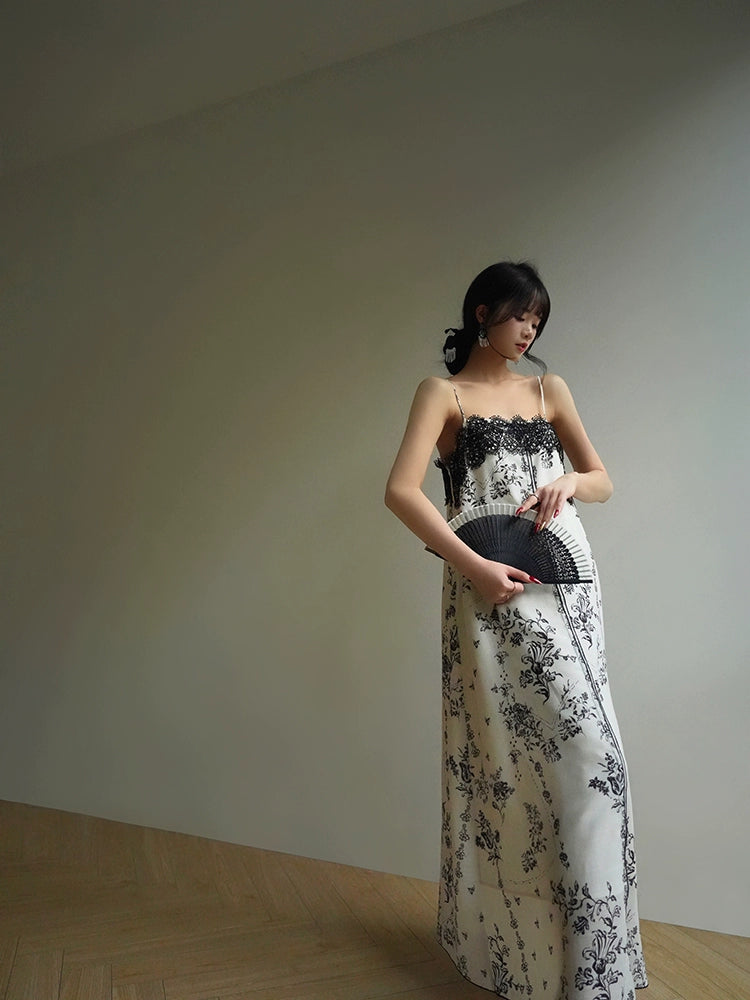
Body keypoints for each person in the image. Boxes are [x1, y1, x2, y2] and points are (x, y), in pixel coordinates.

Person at [385, 262, 648, 998]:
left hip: (570, 588)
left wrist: (570, 481)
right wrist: (474, 566)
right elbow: (401, 491)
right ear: (483, 313)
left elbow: (601, 480)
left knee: (594, 759)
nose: (530, 330)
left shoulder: (547, 389)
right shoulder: (441, 394)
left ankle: (590, 967)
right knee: (505, 765)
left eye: (538, 320)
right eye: (521, 315)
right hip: (490, 591)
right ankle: (514, 957)